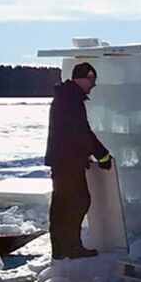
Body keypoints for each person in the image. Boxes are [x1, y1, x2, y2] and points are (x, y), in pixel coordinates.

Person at [44, 61, 112, 259]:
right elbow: (81, 132)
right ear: (79, 78)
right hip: (67, 161)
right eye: (90, 79)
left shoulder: (67, 97)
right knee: (77, 201)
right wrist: (102, 154)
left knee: (63, 203)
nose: (93, 84)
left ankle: (61, 248)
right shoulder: (70, 100)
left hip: (64, 159)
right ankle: (71, 247)